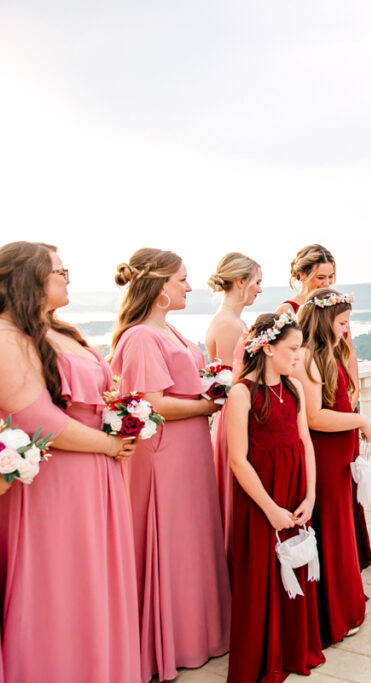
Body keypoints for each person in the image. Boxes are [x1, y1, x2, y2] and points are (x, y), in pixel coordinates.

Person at [0, 241, 141, 682]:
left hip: (94, 470)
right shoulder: (8, 339)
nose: (66, 278)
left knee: (96, 584)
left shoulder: (56, 331)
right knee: (62, 587)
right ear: (28, 279)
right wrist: (108, 445)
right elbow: (36, 417)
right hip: (58, 480)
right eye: (59, 271)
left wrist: (120, 420)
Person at [110, 248, 231, 681]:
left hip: (189, 450)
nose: (189, 286)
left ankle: (200, 633)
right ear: (160, 287)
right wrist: (208, 405)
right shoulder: (142, 337)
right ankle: (171, 642)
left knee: (194, 539)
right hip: (165, 455)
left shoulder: (170, 331)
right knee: (173, 542)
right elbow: (151, 403)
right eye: (182, 279)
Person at [224, 313, 325, 682]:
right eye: (293, 349)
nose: (299, 356)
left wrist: (311, 495)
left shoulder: (294, 388)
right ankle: (266, 655)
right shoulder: (241, 393)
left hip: (296, 487)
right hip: (262, 496)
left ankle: (295, 646)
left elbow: (305, 443)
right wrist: (270, 509)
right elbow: (238, 459)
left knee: (298, 561)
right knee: (264, 572)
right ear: (267, 348)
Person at [295, 288, 371, 645]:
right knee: (332, 526)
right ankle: (333, 611)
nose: (346, 330)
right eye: (342, 322)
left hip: (342, 451)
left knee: (343, 523)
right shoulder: (310, 356)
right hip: (326, 453)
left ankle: (346, 599)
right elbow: (314, 416)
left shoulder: (331, 352)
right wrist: (359, 421)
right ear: (325, 320)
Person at [205, 251, 262, 555]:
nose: (259, 289)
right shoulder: (229, 325)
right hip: (236, 412)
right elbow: (229, 381)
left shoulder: (234, 321)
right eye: (256, 282)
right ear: (240, 282)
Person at [276, 244, 336, 315]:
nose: (327, 283)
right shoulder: (287, 310)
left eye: (330, 277)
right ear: (302, 275)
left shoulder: (335, 305)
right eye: (320, 277)